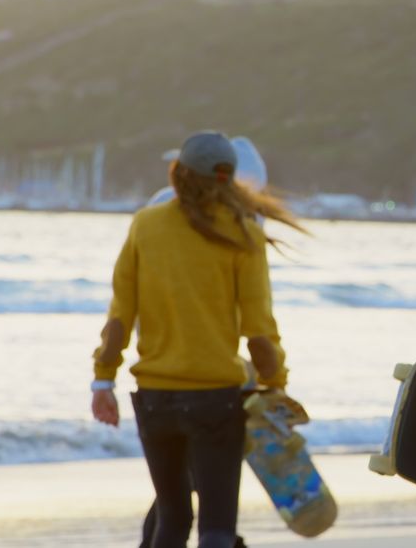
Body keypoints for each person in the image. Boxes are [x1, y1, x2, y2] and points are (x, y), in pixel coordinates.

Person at [90, 130, 305, 548]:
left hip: (154, 399)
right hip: (217, 400)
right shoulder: (245, 232)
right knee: (217, 528)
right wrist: (275, 384)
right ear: (228, 181)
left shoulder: (146, 224)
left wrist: (103, 380)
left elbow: (120, 315)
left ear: (178, 172)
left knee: (172, 518)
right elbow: (259, 329)